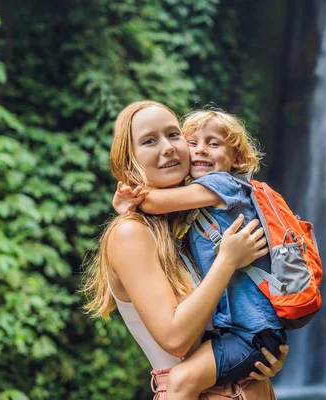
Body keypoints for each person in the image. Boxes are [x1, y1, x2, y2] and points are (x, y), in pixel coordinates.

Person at [82, 101, 287, 400]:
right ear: (129, 162)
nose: (167, 147)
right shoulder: (131, 234)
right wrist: (227, 261)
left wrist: (265, 350)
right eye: (150, 141)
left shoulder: (196, 225)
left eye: (173, 135)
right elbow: (175, 339)